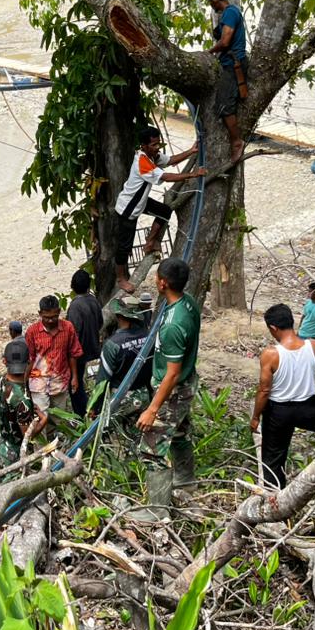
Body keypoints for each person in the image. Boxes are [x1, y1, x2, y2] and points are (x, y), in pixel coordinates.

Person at [135, 259, 201, 516]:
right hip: (185, 383)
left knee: (151, 448)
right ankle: (185, 482)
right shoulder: (188, 303)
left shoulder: (174, 324)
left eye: (157, 278)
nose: (155, 281)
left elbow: (172, 374)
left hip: (173, 389)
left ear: (162, 283)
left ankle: (157, 510)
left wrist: (153, 409)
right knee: (181, 432)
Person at [249, 304, 315, 489]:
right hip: (308, 407)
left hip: (278, 411)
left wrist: (256, 417)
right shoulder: (314, 346)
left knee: (273, 459)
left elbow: (264, 390)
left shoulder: (271, 354)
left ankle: (274, 497)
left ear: (273, 328)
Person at [113, 128, 206, 292]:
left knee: (164, 211)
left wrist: (191, 151)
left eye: (158, 143)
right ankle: (121, 278)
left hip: (140, 202)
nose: (157, 147)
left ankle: (150, 241)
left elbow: (170, 160)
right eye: (154, 144)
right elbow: (165, 177)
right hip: (129, 207)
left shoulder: (152, 156)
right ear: (144, 145)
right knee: (124, 246)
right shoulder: (142, 162)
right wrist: (192, 175)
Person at [88, 294, 153, 422]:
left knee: (118, 437)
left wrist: (94, 407)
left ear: (118, 316)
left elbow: (103, 380)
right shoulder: (149, 337)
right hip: (145, 394)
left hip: (120, 398)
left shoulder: (112, 345)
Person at [24, 295, 83, 423]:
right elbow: (30, 359)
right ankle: (43, 443)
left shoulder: (68, 328)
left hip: (60, 381)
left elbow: (73, 353)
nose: (51, 321)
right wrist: (25, 384)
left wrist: (74, 377)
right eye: (46, 317)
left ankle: (58, 441)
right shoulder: (32, 332)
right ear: (40, 313)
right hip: (38, 382)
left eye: (54, 317)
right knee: (40, 418)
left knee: (59, 418)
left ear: (59, 312)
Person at [205, 0, 249, 153]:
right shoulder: (232, 12)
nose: (212, 6)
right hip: (231, 62)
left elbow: (224, 42)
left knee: (224, 106)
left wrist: (209, 52)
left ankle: (237, 142)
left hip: (232, 64)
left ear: (215, 0)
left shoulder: (230, 13)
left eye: (211, 3)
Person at [0, 339, 48, 465]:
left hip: (2, 442)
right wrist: (43, 420)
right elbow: (28, 436)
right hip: (16, 455)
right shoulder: (23, 400)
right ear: (28, 362)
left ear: (4, 361)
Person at [65, 269, 103, 417]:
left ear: (72, 287)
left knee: (76, 386)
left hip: (80, 354)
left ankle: (82, 415)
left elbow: (73, 333)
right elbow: (100, 322)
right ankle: (93, 411)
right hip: (94, 349)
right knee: (90, 386)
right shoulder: (93, 300)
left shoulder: (75, 306)